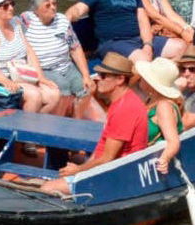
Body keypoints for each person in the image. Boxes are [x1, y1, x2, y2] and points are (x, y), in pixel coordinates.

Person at [40, 53, 147, 195]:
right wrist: (82, 168)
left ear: (120, 79)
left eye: (103, 76)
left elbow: (108, 157)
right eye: (98, 74)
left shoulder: (125, 109)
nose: (97, 78)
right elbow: (101, 150)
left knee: (46, 189)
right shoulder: (121, 101)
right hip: (109, 168)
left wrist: (79, 170)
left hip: (117, 176)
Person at [20, 0, 101, 120]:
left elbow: (75, 48)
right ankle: (58, 123)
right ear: (36, 10)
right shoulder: (26, 20)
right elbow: (8, 27)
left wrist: (86, 75)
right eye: (47, 5)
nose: (53, 7)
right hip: (44, 68)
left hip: (66, 65)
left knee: (88, 88)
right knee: (63, 89)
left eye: (54, 4)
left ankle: (77, 121)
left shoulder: (62, 21)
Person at [0, 0, 60, 113]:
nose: (11, 8)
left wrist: (41, 77)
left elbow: (29, 51)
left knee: (53, 94)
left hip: (22, 75)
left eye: (12, 4)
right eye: (5, 6)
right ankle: (26, 128)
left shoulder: (15, 22)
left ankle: (34, 124)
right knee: (34, 95)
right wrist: (5, 81)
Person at [134, 57, 184, 174]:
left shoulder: (163, 106)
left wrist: (164, 159)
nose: (141, 78)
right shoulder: (151, 101)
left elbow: (173, 141)